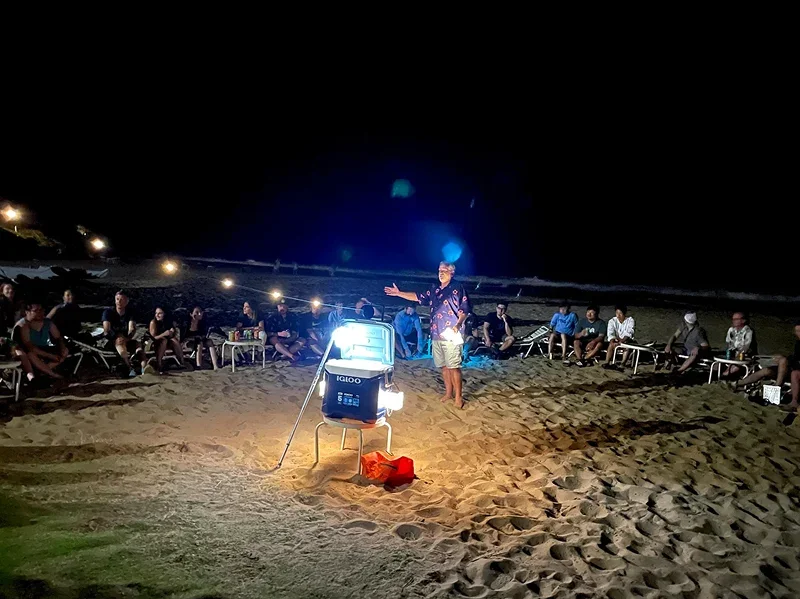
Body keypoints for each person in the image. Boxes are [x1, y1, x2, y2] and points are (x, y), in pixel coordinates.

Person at [385, 261, 471, 408]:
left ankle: (458, 397)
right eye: (439, 270)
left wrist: (458, 324)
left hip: (452, 333)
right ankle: (448, 393)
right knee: (443, 366)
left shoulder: (458, 288)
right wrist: (399, 293)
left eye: (444, 270)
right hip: (436, 333)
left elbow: (464, 309)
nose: (441, 273)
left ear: (451, 273)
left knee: (454, 366)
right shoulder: (434, 289)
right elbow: (418, 297)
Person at [733, 323, 800, 411]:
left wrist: (787, 360)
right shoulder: (798, 343)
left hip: (796, 371)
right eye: (797, 331)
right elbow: (795, 358)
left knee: (788, 366)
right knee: (767, 370)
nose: (798, 333)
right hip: (790, 369)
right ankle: (737, 383)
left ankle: (781, 392)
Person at [102, 290, 149, 377]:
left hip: (125, 339)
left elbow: (132, 329)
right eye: (117, 299)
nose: (119, 302)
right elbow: (106, 330)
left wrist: (127, 338)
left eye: (122, 300)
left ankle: (144, 367)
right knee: (120, 342)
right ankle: (129, 367)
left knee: (138, 345)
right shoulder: (108, 312)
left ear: (126, 302)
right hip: (111, 340)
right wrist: (117, 337)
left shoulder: (129, 313)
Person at [19, 301, 69, 379]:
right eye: (36, 311)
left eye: (41, 310)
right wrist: (51, 356)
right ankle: (51, 373)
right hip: (34, 350)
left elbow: (58, 337)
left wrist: (62, 347)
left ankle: (43, 370)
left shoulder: (47, 322)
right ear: (27, 312)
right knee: (31, 355)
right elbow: (30, 346)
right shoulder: (24, 325)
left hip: (46, 347)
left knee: (65, 351)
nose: (40, 313)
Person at [149, 307, 184, 372]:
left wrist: (171, 333)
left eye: (160, 313)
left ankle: (182, 361)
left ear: (164, 314)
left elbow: (171, 336)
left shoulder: (167, 322)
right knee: (163, 341)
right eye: (156, 313)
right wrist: (164, 334)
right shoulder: (153, 322)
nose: (157, 315)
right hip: (154, 343)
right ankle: (159, 364)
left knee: (174, 340)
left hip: (166, 343)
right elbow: (153, 338)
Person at [723, 312, 754, 377]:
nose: (734, 321)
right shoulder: (731, 330)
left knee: (734, 367)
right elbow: (728, 342)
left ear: (743, 320)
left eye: (736, 319)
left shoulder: (748, 331)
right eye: (733, 319)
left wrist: (738, 356)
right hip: (732, 354)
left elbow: (746, 347)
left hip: (744, 356)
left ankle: (725, 377)